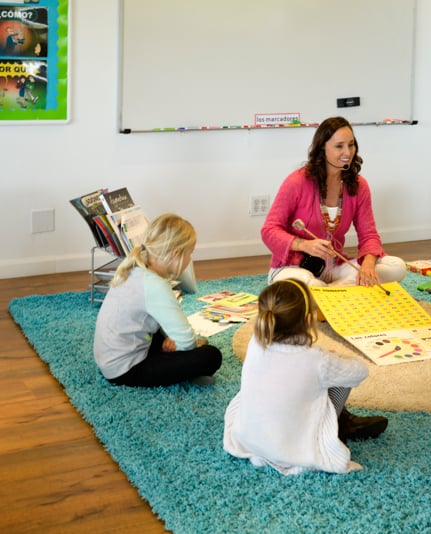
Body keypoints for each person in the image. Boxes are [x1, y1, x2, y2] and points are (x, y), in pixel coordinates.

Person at [223, 279, 386, 475]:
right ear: (309, 321)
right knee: (341, 378)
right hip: (292, 445)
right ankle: (338, 425)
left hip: (249, 437)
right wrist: (335, 358)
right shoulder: (318, 360)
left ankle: (342, 421)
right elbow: (360, 372)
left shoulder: (255, 342)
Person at [261, 116, 406, 288]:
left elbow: (369, 235)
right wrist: (304, 245)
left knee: (397, 267)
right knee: (310, 284)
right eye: (339, 146)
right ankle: (336, 290)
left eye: (351, 145)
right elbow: (269, 230)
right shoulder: (297, 182)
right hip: (293, 268)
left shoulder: (359, 186)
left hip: (333, 268)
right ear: (323, 148)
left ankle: (328, 293)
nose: (348, 152)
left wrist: (368, 265)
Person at [93, 213, 222, 387]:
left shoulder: (135, 267)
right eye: (190, 254)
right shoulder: (155, 285)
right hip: (125, 370)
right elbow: (187, 341)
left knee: (166, 335)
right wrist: (180, 347)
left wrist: (171, 339)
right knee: (211, 356)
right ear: (175, 253)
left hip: (111, 358)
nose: (190, 260)